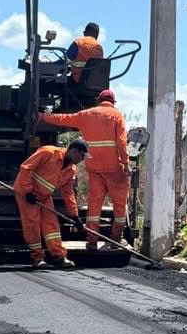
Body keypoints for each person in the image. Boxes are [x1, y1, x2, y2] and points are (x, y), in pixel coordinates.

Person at [37, 88, 130, 248]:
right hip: (114, 168)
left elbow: (63, 118)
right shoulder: (116, 115)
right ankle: (115, 240)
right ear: (113, 102)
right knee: (119, 206)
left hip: (94, 167)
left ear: (98, 100)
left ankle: (91, 241)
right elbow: (121, 143)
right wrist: (126, 164)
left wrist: (43, 116)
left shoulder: (86, 114)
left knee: (94, 207)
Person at [13, 138, 88, 269]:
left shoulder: (71, 169)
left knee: (51, 224)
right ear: (74, 151)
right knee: (32, 223)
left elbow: (68, 192)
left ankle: (59, 256)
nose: (82, 159)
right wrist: (28, 191)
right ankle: (37, 258)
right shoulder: (48, 152)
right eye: (82, 156)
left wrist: (74, 216)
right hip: (27, 192)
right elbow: (26, 168)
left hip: (44, 196)